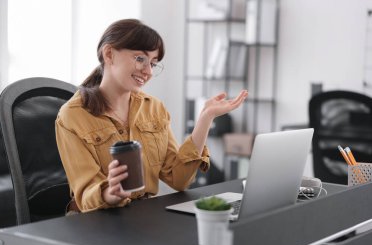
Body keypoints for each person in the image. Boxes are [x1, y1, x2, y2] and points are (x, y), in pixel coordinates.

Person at [56, 19, 248, 213]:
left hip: (142, 216)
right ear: (109, 54)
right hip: (94, 221)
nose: (148, 71)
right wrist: (110, 193)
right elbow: (85, 193)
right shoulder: (72, 116)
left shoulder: (154, 108)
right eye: (140, 58)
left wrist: (206, 118)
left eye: (153, 64)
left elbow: (179, 179)